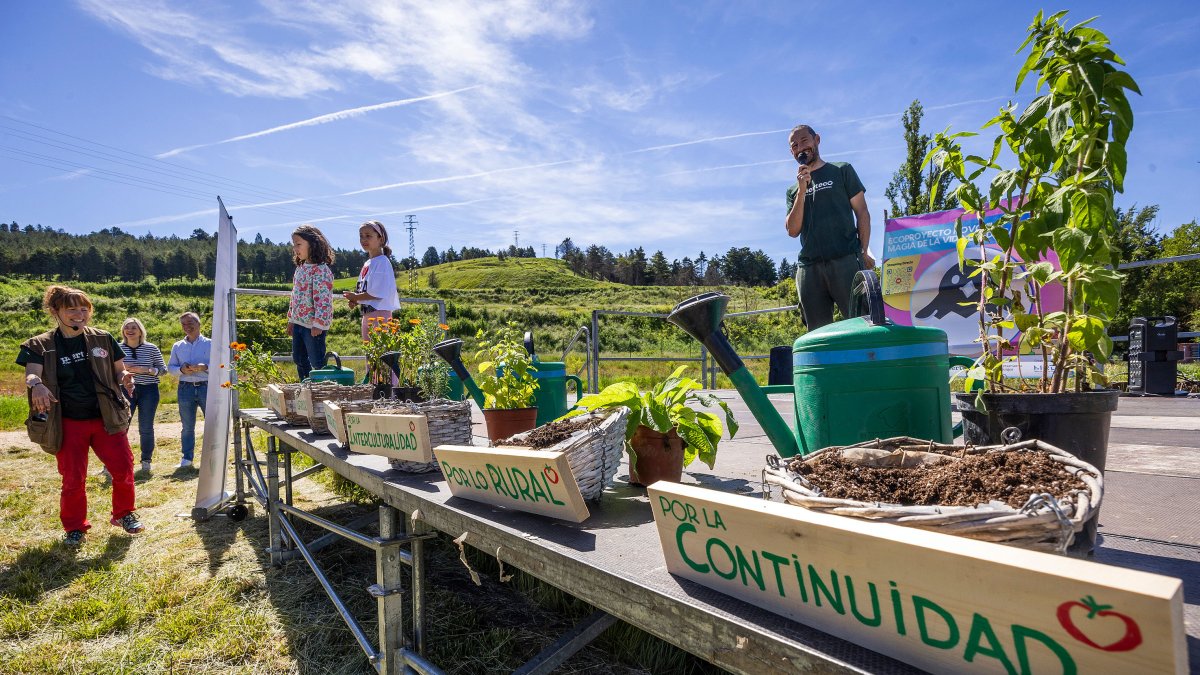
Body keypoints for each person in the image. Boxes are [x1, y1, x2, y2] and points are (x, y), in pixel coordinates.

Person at [17, 285, 143, 547]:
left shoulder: (102, 338)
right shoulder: (39, 344)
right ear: (56, 311)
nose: (80, 314)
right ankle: (75, 527)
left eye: (84, 309)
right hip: (68, 422)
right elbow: (31, 374)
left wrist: (125, 377)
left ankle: (124, 514)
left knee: (123, 468)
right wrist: (36, 385)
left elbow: (119, 370)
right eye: (72, 309)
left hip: (106, 418)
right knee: (73, 478)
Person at [784, 124, 875, 330]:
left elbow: (862, 212)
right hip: (809, 268)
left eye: (804, 141)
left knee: (862, 324)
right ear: (792, 152)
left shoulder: (842, 170)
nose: (800, 148)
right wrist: (802, 190)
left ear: (817, 139)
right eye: (795, 145)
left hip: (846, 260)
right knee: (817, 333)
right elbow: (792, 230)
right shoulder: (793, 190)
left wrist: (863, 251)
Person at [119, 317, 167, 474]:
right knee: (121, 426)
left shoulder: (151, 348)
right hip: (125, 390)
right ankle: (114, 462)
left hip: (149, 391)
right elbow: (110, 370)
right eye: (127, 327)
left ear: (140, 331)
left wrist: (146, 370)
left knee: (146, 427)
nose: (130, 330)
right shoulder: (117, 348)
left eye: (134, 327)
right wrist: (123, 371)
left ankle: (146, 461)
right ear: (123, 331)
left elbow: (163, 370)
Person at [288, 224, 335, 380]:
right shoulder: (300, 268)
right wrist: (291, 319)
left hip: (314, 326)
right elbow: (295, 296)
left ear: (313, 244)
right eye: (294, 244)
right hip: (299, 323)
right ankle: (305, 386)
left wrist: (319, 323)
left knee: (317, 361)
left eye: (298, 244)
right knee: (298, 358)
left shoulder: (321, 270)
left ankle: (322, 387)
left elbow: (323, 299)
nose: (295, 248)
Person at [167, 312, 210, 469]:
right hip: (185, 387)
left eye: (190, 323)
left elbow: (221, 364)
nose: (187, 326)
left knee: (211, 424)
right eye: (183, 324)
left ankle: (211, 457)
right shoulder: (177, 346)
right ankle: (187, 459)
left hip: (206, 386)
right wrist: (182, 370)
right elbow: (170, 368)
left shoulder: (211, 344)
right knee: (187, 426)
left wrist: (205, 367)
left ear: (199, 324)